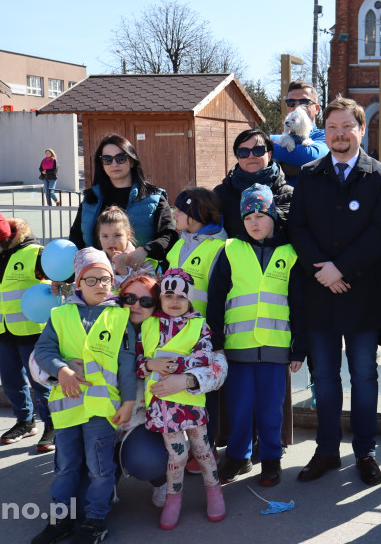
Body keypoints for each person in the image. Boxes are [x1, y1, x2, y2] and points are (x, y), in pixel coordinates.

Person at [286, 95, 381, 486]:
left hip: (362, 293)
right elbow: (296, 227)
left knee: (364, 376)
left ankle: (365, 451)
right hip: (319, 294)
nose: (338, 134)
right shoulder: (310, 174)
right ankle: (327, 451)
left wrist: (341, 268)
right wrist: (323, 271)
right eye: (331, 127)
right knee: (326, 379)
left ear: (361, 130)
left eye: (346, 127)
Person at [30, 248, 137, 544]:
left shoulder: (120, 317)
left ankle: (95, 521)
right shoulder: (61, 315)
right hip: (67, 409)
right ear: (78, 283)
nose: (99, 285)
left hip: (102, 411)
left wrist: (128, 402)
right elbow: (43, 350)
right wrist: (61, 371)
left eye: (105, 278)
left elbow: (127, 364)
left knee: (100, 469)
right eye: (91, 280)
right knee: (65, 467)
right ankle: (60, 520)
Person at [207, 184, 304, 486]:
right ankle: (238, 456)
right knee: (239, 406)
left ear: (273, 215)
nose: (255, 222)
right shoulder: (231, 250)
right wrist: (218, 344)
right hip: (238, 348)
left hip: (276, 349)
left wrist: (299, 347)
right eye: (248, 217)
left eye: (261, 215)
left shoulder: (289, 254)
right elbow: (216, 299)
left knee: (270, 408)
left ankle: (272, 458)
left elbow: (300, 304)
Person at [111, 275, 227, 510]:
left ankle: (214, 494)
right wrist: (151, 364)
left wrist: (184, 377)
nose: (175, 302)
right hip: (157, 409)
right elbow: (140, 362)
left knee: (202, 450)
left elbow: (209, 359)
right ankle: (173, 500)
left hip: (187, 405)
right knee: (178, 455)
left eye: (181, 297)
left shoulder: (197, 325)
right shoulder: (141, 326)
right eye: (169, 296)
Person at [0, 208, 54, 451]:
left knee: (41, 381)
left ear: (3, 237)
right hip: (3, 333)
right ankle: (25, 422)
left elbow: (59, 279)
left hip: (33, 332)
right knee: (11, 382)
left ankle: (53, 425)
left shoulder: (35, 254)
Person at [68, 134, 177, 270]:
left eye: (120, 158)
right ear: (101, 164)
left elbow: (169, 236)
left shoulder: (154, 197)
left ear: (131, 161)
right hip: (97, 282)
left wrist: (146, 250)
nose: (114, 164)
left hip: (140, 281)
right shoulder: (91, 198)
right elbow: (75, 239)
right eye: (107, 159)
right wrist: (65, 275)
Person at [214, 129, 295, 239]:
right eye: (243, 152)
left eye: (258, 150)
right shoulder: (220, 194)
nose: (251, 156)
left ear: (270, 154)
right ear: (238, 157)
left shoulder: (289, 194)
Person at [166, 187, 228, 315]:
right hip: (174, 326)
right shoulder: (179, 243)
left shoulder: (219, 248)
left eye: (180, 211)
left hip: (201, 329)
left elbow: (219, 296)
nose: (174, 214)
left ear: (196, 215)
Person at [270, 80, 329, 185]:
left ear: (316, 108)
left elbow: (312, 157)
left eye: (304, 103)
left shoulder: (325, 135)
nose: (297, 107)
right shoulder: (275, 138)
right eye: (291, 103)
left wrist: (268, 150)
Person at [95, 206, 158, 289]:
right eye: (105, 236)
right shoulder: (94, 261)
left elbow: (148, 291)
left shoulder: (142, 263)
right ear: (99, 236)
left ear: (128, 234)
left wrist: (123, 272)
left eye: (117, 235)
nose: (111, 241)